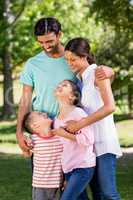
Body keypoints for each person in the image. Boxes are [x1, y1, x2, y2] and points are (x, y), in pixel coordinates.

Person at [16, 17, 114, 154]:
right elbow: (25, 100)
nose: (46, 46)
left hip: (71, 131)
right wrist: (19, 133)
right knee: (43, 174)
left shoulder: (73, 59)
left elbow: (95, 79)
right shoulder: (32, 64)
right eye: (41, 42)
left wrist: (111, 72)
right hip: (42, 132)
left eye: (49, 41)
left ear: (59, 35)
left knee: (73, 173)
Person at [64, 38, 122, 200]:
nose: (70, 63)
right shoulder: (79, 81)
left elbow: (110, 106)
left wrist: (80, 124)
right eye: (67, 59)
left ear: (85, 56)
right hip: (88, 146)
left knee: (109, 194)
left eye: (73, 59)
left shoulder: (98, 73)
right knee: (97, 194)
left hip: (104, 142)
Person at [52, 80, 96, 200]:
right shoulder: (56, 119)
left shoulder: (78, 113)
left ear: (73, 96)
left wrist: (65, 134)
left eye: (65, 85)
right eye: (59, 84)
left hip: (82, 166)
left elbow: (89, 140)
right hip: (68, 168)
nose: (59, 85)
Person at [23, 111, 63, 200]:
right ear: (35, 125)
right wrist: (26, 138)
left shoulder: (60, 136)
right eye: (40, 114)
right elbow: (26, 154)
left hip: (58, 184)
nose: (44, 113)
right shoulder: (33, 140)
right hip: (40, 185)